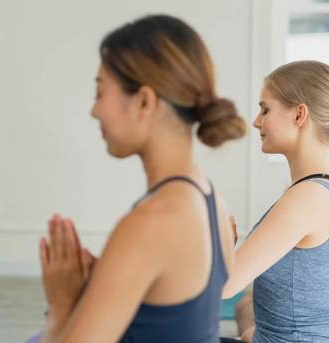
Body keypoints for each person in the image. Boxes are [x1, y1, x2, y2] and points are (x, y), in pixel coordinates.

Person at [38, 14, 246, 343]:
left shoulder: (151, 224)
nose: (94, 110)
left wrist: (62, 305)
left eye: (100, 92)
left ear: (144, 102)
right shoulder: (211, 200)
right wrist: (103, 282)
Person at [222, 60, 329, 342]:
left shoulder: (309, 197)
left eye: (265, 109)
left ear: (300, 114)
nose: (256, 121)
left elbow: (224, 285)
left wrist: (225, 242)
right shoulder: (313, 190)